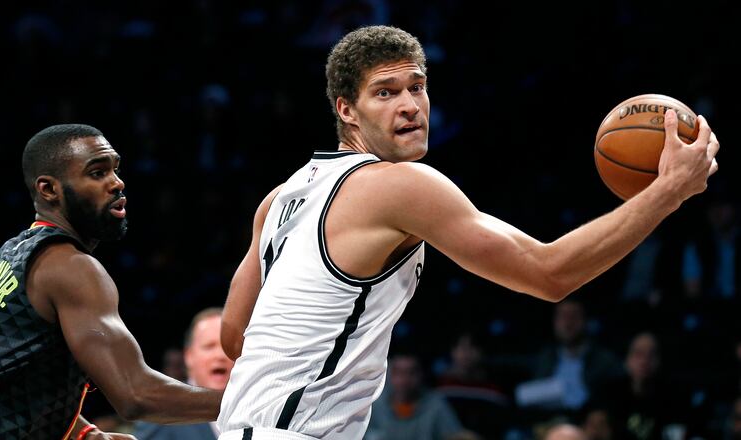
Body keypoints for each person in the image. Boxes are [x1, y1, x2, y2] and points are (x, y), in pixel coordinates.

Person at [216, 25, 720, 440]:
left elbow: (236, 337)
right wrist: (669, 190)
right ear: (346, 110)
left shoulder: (280, 198)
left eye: (416, 87)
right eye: (385, 93)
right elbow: (550, 274)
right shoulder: (397, 186)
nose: (410, 106)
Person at [0, 124, 222, 439]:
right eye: (97, 173)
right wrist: (248, 400)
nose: (117, 183)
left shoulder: (13, 256)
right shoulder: (70, 267)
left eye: (115, 170)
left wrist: (85, 433)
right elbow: (136, 395)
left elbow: (1, 383)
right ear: (49, 190)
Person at [134, 307, 235, 439]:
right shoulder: (163, 414)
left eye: (226, 347)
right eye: (209, 346)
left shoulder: (258, 409)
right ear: (189, 356)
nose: (220, 355)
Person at [516, 300, 623, 412]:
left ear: (585, 321)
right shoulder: (545, 358)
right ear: (554, 322)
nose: (568, 323)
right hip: (547, 421)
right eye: (562, 316)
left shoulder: (605, 361)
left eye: (574, 316)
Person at [365, 352, 466, 440]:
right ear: (389, 374)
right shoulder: (374, 404)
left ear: (422, 374)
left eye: (411, 373)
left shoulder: (436, 405)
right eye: (399, 373)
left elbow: (457, 436)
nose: (404, 380)